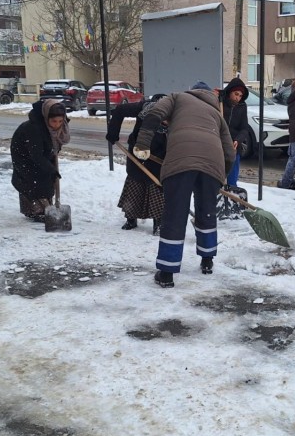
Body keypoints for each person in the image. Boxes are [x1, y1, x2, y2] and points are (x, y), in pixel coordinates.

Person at [133, 81, 235, 288]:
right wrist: (221, 176)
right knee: (206, 212)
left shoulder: (177, 97)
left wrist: (142, 143)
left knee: (175, 214)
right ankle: (207, 261)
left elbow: (153, 114)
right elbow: (229, 153)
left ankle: (167, 272)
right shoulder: (217, 115)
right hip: (212, 164)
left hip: (181, 161)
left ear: (193, 90)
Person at [106, 94, 168, 234]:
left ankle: (158, 222)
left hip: (160, 154)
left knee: (157, 186)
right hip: (137, 151)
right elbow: (120, 110)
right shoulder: (143, 108)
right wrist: (113, 132)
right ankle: (131, 218)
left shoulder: (176, 114)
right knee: (135, 182)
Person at [10, 99, 69, 222]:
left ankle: (45, 208)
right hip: (24, 157)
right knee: (35, 181)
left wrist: (51, 163)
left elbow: (53, 147)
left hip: (41, 155)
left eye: (60, 121)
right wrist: (51, 169)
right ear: (46, 117)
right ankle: (35, 210)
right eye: (53, 121)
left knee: (47, 179)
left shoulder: (55, 128)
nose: (57, 125)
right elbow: (36, 155)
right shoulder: (34, 128)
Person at [220, 77, 250, 187]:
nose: (238, 98)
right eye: (236, 94)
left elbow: (244, 128)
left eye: (240, 96)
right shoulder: (220, 102)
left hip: (233, 144)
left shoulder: (242, 106)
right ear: (230, 92)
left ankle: (232, 193)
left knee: (232, 178)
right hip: (219, 143)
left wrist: (238, 139)